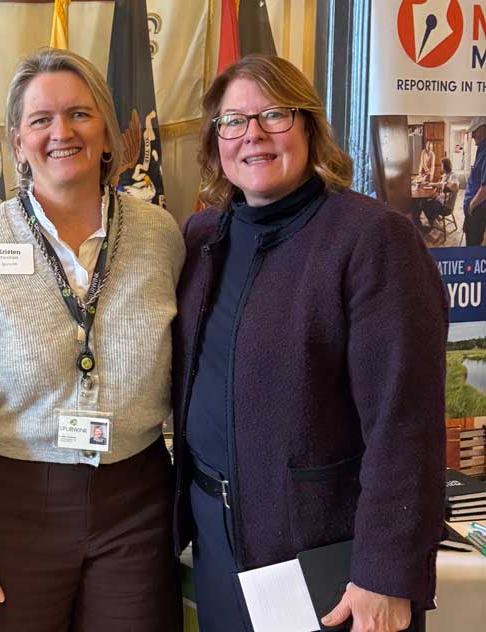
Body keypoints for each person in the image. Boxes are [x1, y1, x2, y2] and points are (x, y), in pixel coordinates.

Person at [173, 53, 445, 632]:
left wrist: (385, 572)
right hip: (221, 548)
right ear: (215, 140)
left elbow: (406, 420)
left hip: (327, 560)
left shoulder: (372, 239)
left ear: (309, 125)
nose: (253, 135)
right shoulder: (201, 238)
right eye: (233, 121)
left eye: (274, 115)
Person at [0, 48, 184, 632]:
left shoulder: (162, 235)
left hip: (137, 500)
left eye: (79, 114)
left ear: (107, 134)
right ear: (17, 142)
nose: (61, 132)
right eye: (40, 120)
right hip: (19, 503)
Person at [419, 157, 459, 229]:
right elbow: (440, 183)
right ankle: (434, 218)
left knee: (423, 203)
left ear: (445, 166)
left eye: (441, 165)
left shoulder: (453, 175)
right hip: (442, 201)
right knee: (426, 200)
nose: (441, 167)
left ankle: (432, 222)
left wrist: (444, 184)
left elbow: (455, 186)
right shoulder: (446, 175)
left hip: (446, 207)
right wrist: (431, 184)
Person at [464, 117, 486, 246]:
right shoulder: (480, 149)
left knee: (472, 248)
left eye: (475, 131)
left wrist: (471, 205)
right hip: (473, 211)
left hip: (477, 210)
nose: (472, 136)